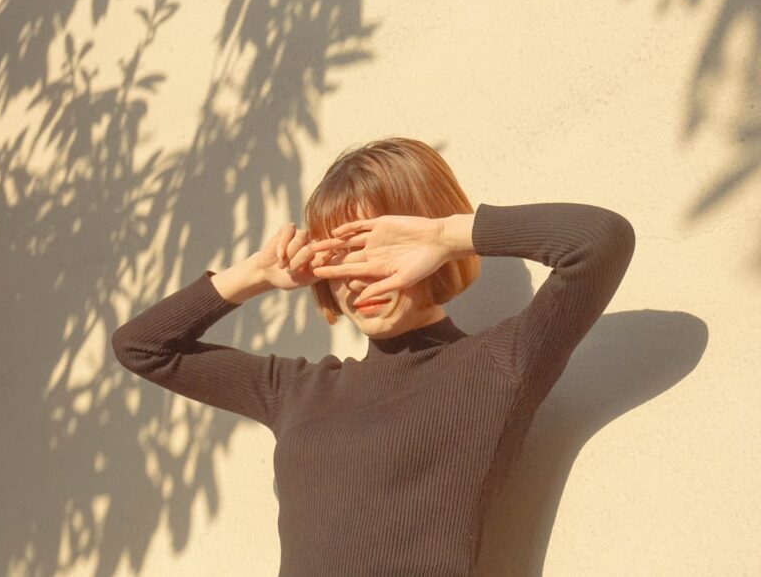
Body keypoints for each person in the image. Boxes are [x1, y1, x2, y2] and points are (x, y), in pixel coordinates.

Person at [111, 137, 636, 576]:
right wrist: (253, 276)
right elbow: (143, 347)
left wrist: (444, 233)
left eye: (375, 248)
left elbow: (597, 242)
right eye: (337, 258)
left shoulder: (498, 364)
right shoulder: (295, 390)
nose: (358, 275)